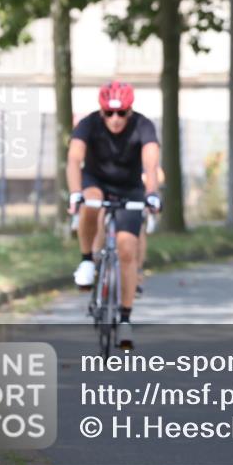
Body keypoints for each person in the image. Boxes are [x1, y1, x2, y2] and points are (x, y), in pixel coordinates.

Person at [66, 81, 161, 349]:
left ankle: (125, 318)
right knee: (91, 201)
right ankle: (86, 261)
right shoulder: (88, 124)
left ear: (130, 111)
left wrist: (152, 192)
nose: (115, 120)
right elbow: (74, 159)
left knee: (127, 248)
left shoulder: (143, 125)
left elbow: (151, 162)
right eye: (109, 113)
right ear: (101, 111)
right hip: (97, 181)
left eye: (121, 113)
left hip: (129, 188)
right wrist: (75, 192)